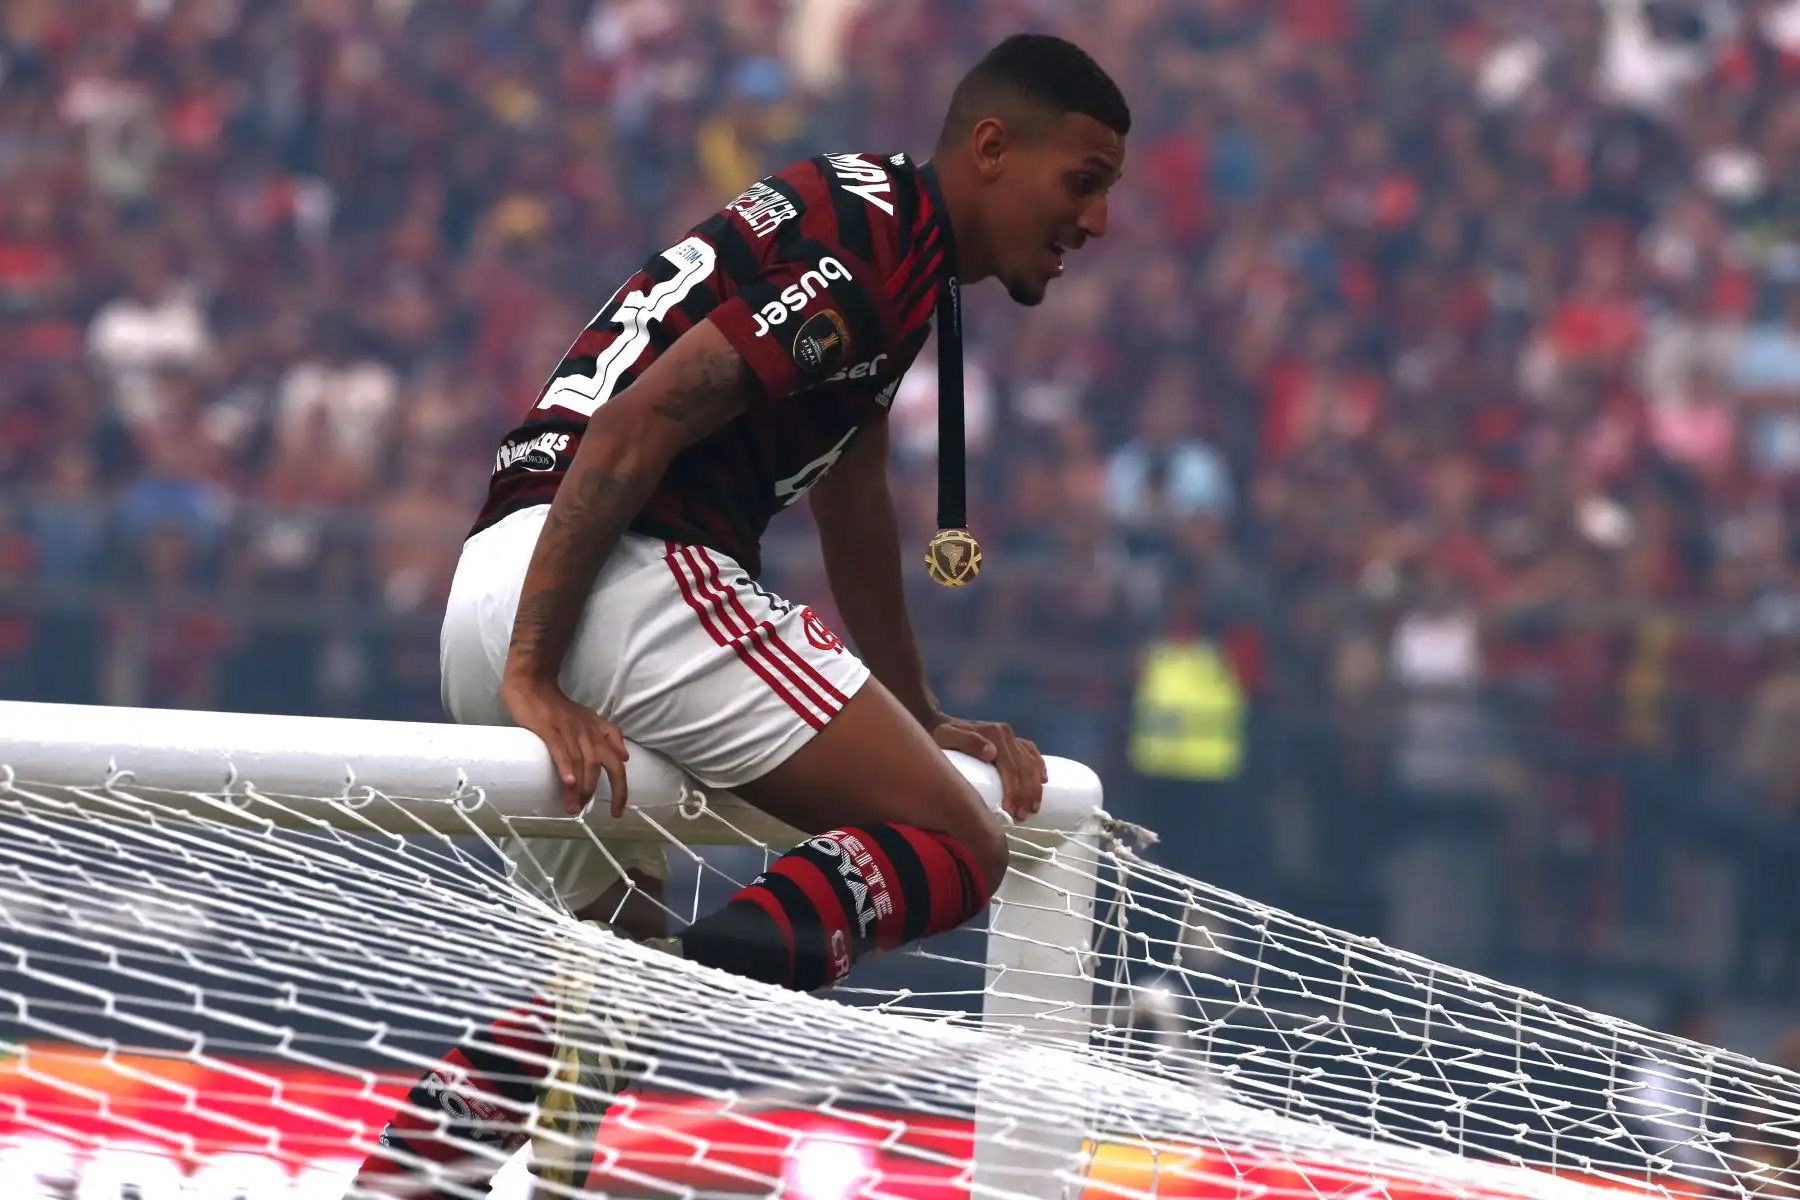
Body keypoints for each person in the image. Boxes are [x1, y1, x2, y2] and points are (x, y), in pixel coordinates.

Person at [350, 31, 1129, 1200]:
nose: (1097, 224)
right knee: (964, 849)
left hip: (504, 574)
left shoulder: (874, 227)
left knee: (592, 1002)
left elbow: (855, 498)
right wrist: (535, 671)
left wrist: (919, 713)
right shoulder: (875, 255)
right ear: (990, 149)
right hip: (613, 581)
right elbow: (645, 422)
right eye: (1084, 182)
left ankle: (398, 1186)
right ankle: (680, 989)